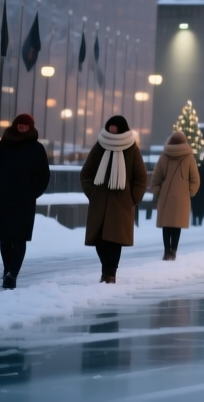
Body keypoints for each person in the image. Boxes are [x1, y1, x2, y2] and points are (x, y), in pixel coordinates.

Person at [0, 113, 50, 289]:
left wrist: (31, 193)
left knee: (19, 238)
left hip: (23, 201)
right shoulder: (3, 145)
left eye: (24, 124)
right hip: (2, 199)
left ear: (30, 127)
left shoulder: (36, 148)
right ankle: (7, 271)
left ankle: (12, 274)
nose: (21, 127)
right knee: (4, 238)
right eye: (19, 124)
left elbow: (43, 176)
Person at [81, 114, 146, 283]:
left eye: (115, 127)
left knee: (114, 241)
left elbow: (141, 178)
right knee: (99, 240)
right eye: (110, 127)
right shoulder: (99, 146)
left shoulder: (132, 149)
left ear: (122, 129)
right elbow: (86, 174)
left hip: (121, 205)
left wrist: (132, 199)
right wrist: (92, 193)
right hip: (100, 203)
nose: (112, 130)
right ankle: (106, 270)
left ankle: (110, 273)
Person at [150, 131, 200, 260]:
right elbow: (195, 178)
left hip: (165, 195)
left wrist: (157, 190)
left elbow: (156, 178)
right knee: (177, 224)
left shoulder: (164, 156)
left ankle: (167, 251)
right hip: (182, 196)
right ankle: (173, 250)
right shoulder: (189, 157)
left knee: (166, 225)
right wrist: (190, 190)